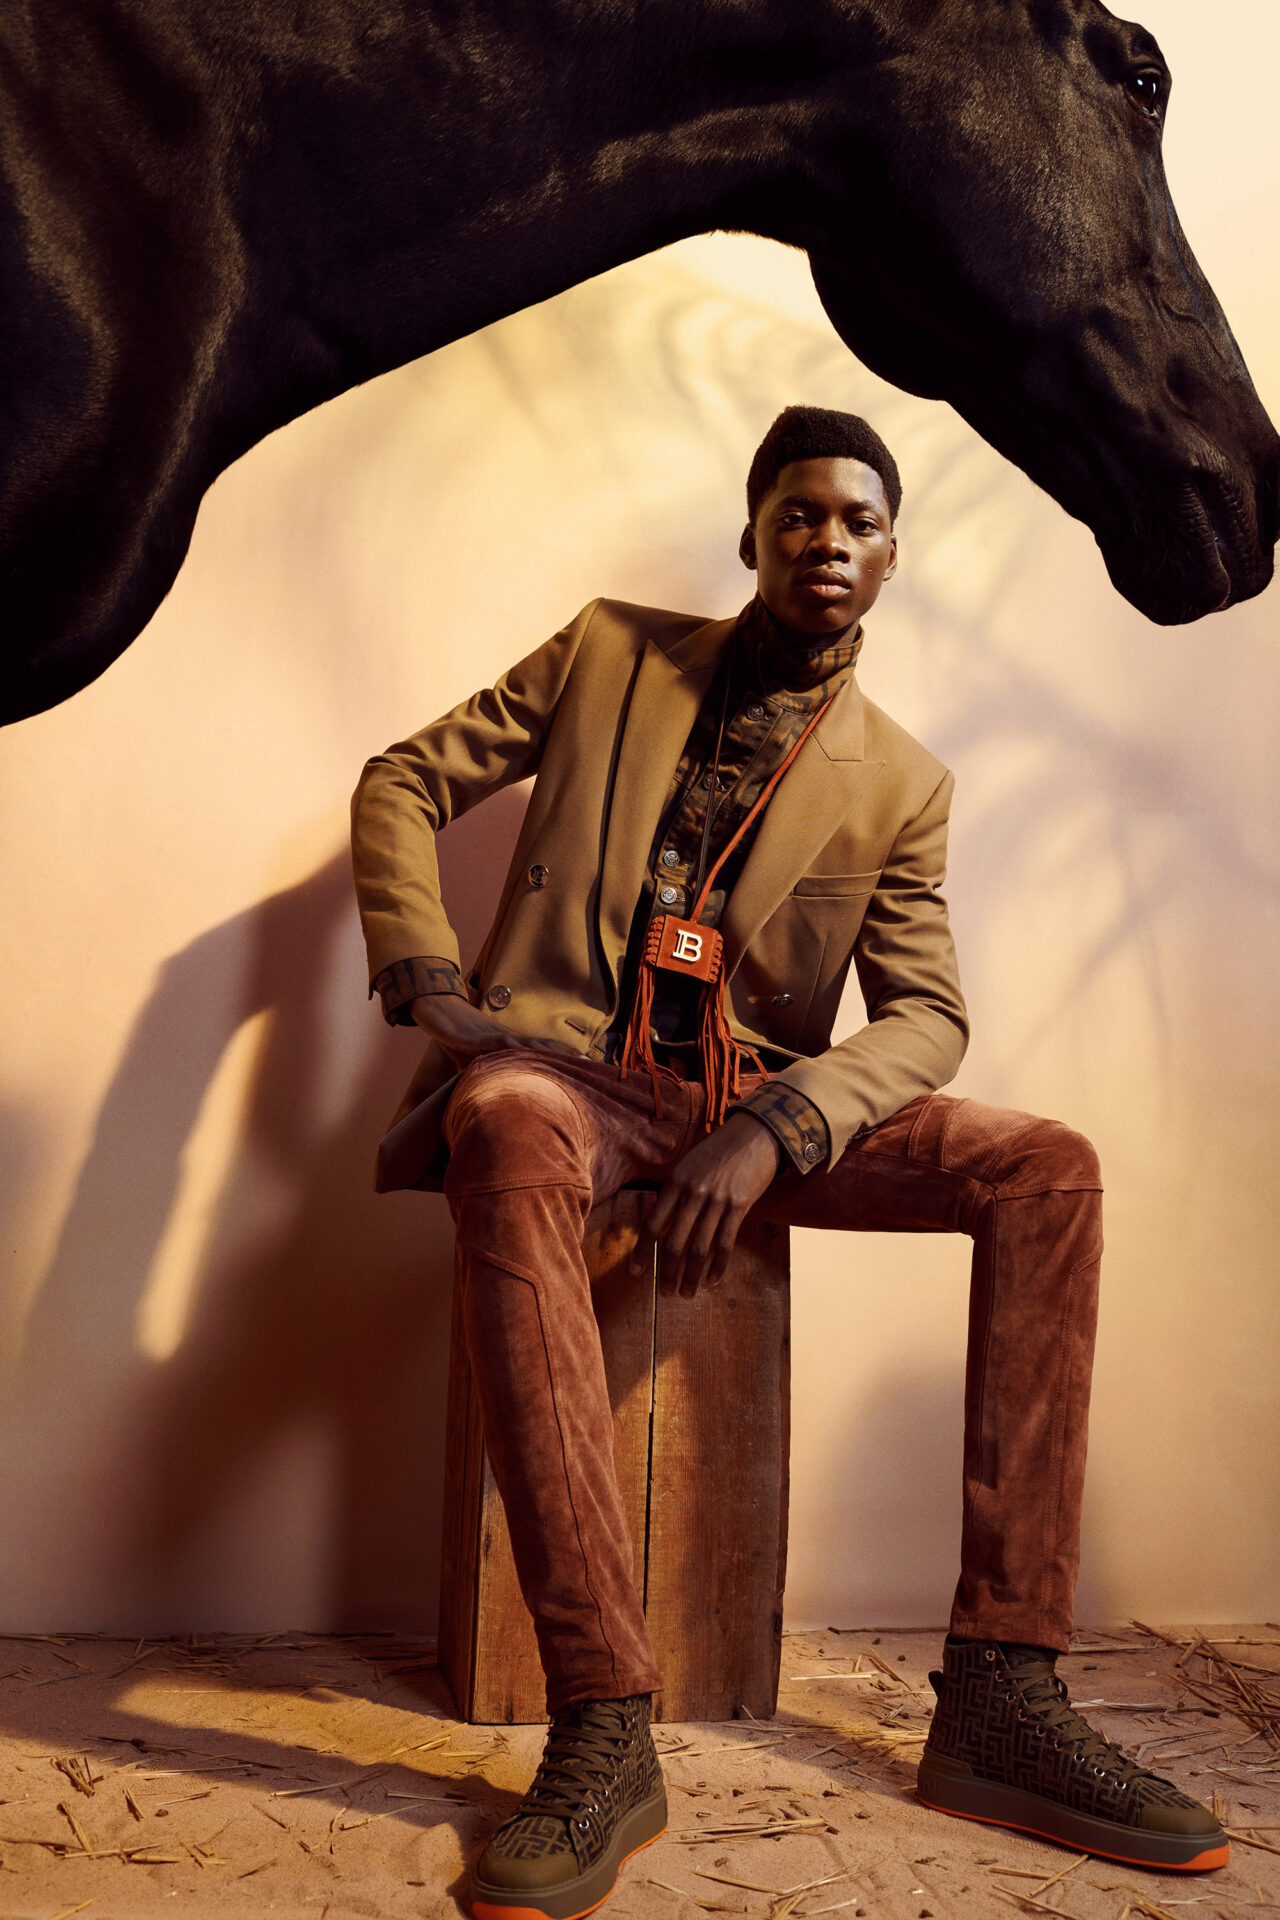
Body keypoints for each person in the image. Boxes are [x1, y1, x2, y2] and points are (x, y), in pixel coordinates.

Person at [351, 407, 1227, 1920]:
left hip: (752, 1102)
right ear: (753, 533)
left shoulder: (903, 782)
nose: (828, 540)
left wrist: (774, 1131)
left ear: (891, 555)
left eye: (859, 522)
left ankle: (1004, 1695)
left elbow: (928, 1014)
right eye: (801, 513)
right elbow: (401, 777)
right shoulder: (611, 653)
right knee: (503, 1122)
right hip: (567, 1073)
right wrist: (425, 974)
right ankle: (603, 1719)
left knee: (1049, 1169)